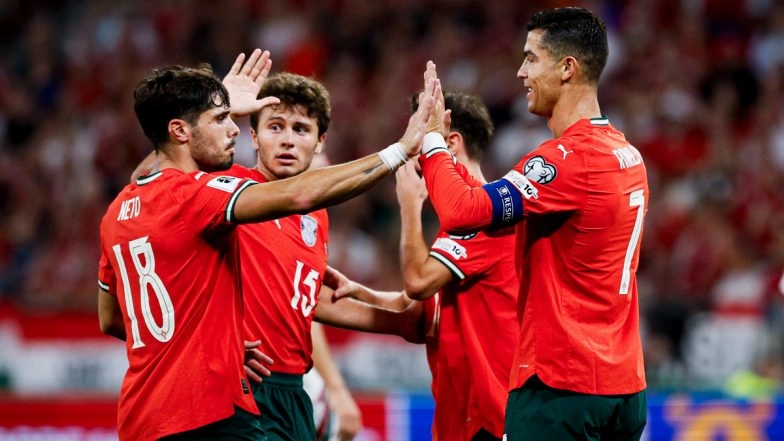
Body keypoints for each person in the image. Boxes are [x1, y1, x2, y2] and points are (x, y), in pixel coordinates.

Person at [97, 49, 436, 440]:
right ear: (255, 136)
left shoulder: (311, 220)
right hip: (233, 394)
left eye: (301, 129)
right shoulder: (222, 194)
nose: (287, 140)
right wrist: (399, 151)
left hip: (283, 390)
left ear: (320, 141)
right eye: (274, 127)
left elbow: (303, 305)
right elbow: (171, 173)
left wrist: (397, 321)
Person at [418, 8, 649, 440]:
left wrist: (431, 140)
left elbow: (461, 211)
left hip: (561, 388)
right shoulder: (628, 155)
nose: (521, 72)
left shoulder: (568, 159)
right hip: (624, 385)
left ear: (567, 68)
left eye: (531, 58)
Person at [329, 91, 519, 441]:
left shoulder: (484, 216)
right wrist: (362, 294)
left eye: (418, 139)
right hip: (461, 420)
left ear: (450, 143)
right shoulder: (468, 223)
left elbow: (417, 282)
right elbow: (425, 320)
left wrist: (410, 206)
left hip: (491, 420)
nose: (409, 156)